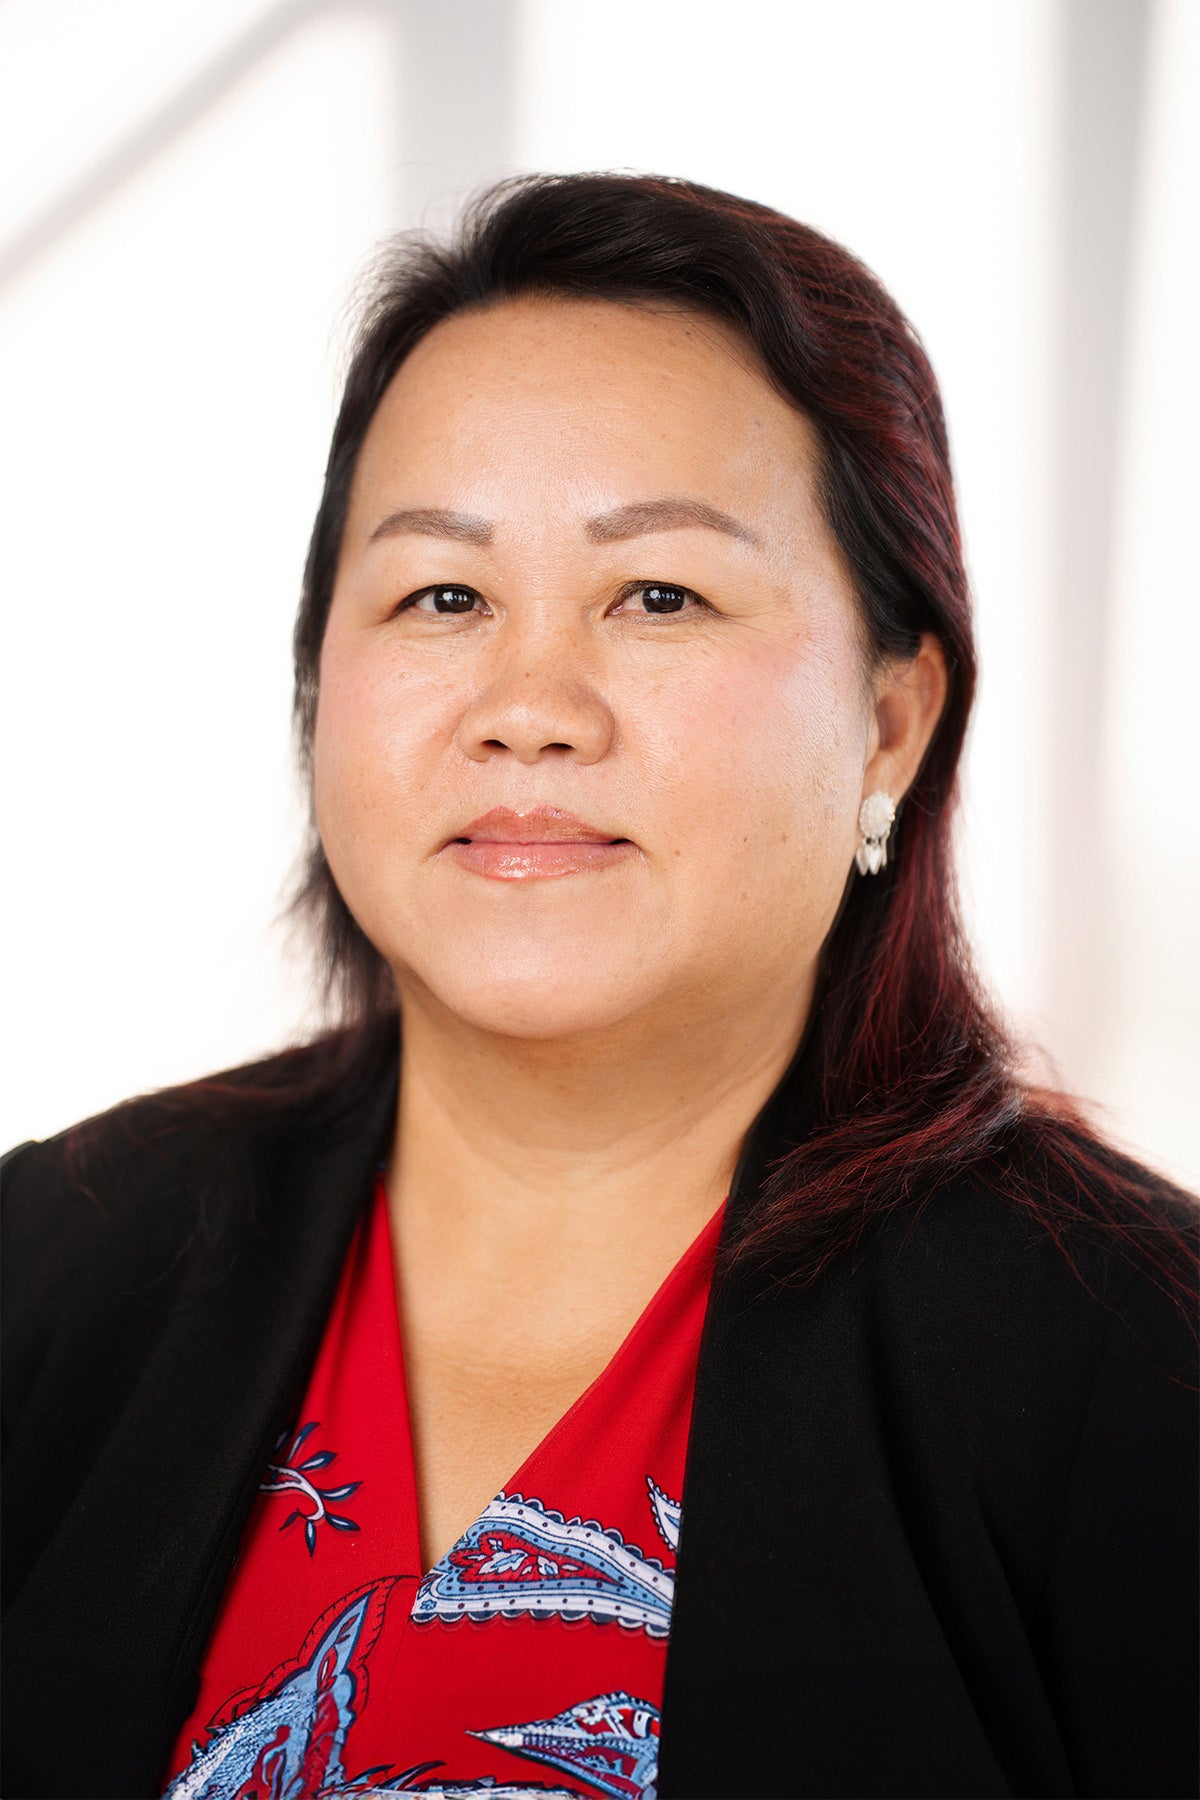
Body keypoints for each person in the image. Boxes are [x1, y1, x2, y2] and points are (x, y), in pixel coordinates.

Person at [2, 172, 1196, 1800]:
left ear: (895, 723)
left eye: (659, 596)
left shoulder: (1141, 1367)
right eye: (442, 596)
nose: (531, 707)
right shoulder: (48, 1269)